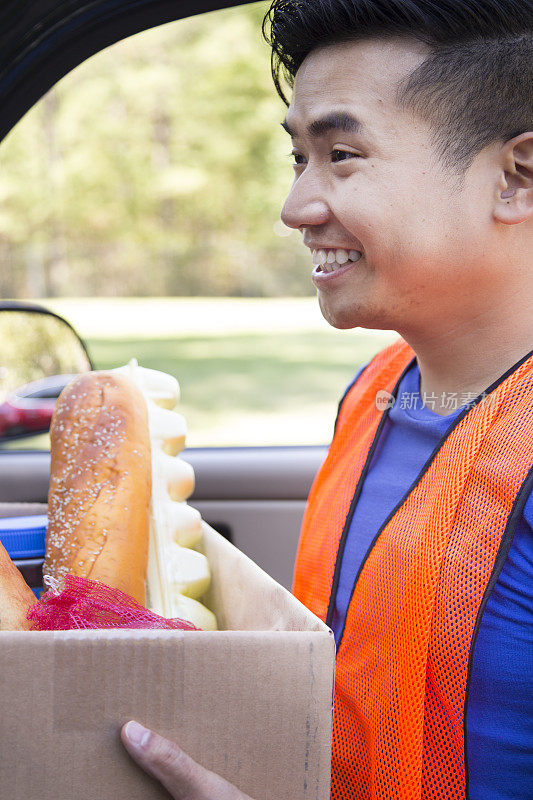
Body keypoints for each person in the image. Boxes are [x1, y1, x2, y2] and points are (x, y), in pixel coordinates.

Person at [120, 0, 533, 797]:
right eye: (297, 160)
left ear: (516, 177)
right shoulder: (379, 390)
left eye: (341, 155)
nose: (296, 208)